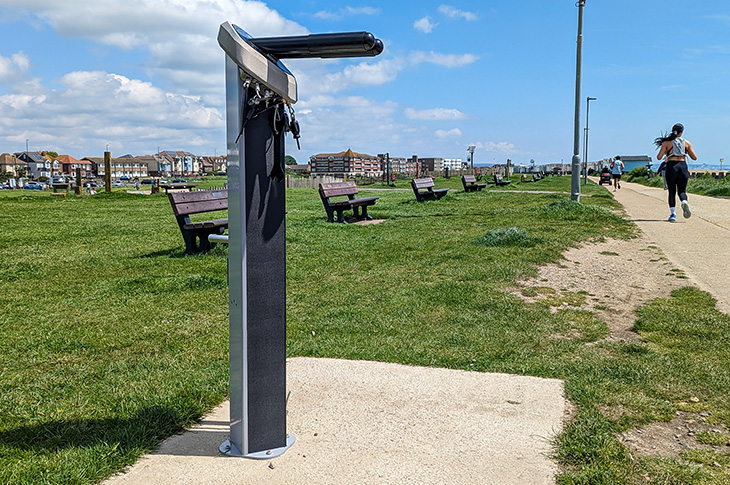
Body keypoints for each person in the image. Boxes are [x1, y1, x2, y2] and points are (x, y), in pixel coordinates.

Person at [654, 123, 697, 222]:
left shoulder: (666, 143)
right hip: (682, 166)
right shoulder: (687, 143)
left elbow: (659, 157)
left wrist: (666, 153)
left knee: (672, 191)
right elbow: (694, 157)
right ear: (681, 132)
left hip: (671, 166)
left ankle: (673, 214)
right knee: (682, 191)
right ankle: (684, 202)